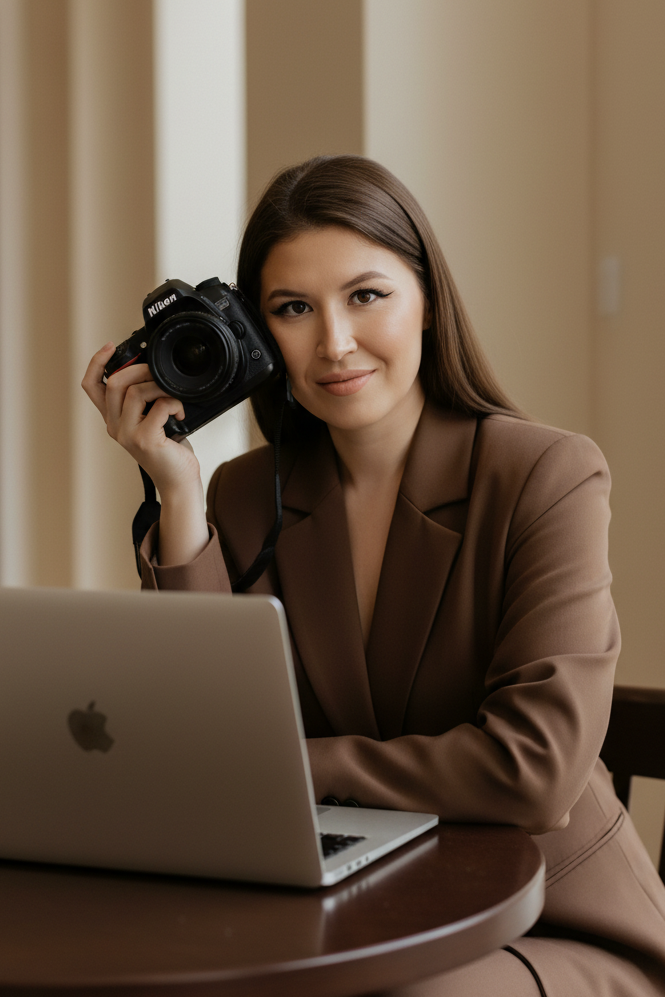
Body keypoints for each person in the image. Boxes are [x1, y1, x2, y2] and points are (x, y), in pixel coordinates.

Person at [83, 155, 665, 996]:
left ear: (426, 299)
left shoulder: (544, 473)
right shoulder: (245, 495)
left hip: (548, 920)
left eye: (366, 295)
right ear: (259, 335)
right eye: (292, 308)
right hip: (347, 918)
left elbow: (532, 769)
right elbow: (207, 741)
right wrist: (176, 491)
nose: (334, 342)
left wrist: (292, 767)